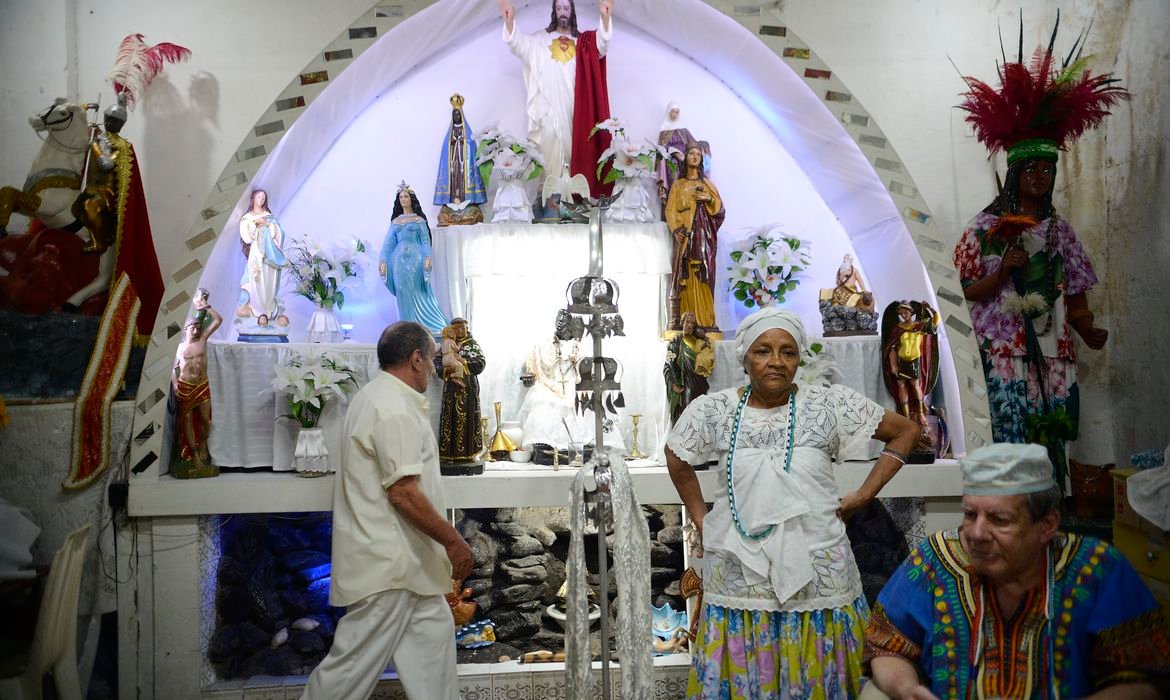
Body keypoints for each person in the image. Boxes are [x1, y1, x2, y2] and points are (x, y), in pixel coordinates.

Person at [665, 307, 920, 698]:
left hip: (820, 573)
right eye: (763, 351)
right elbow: (676, 454)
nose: (776, 362)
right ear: (744, 358)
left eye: (788, 352)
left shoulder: (827, 405)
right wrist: (701, 518)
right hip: (740, 575)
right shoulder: (714, 409)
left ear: (799, 359)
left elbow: (905, 431)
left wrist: (865, 494)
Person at [864, 443, 1170, 699]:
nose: (977, 533)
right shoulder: (936, 560)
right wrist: (907, 690)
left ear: (1047, 525)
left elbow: (1145, 678)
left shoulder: (1096, 568)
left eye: (999, 520)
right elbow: (886, 646)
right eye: (970, 514)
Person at [954, 23, 1124, 482]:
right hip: (1003, 351)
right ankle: (1009, 504)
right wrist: (1001, 273)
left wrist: (1086, 327)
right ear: (1013, 173)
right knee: (1009, 434)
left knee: (1053, 433)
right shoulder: (982, 229)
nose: (1039, 176)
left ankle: (1051, 506)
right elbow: (962, 291)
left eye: (1047, 169)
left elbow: (1078, 292)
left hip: (1053, 349)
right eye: (1030, 168)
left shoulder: (1061, 231)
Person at [300, 321, 474, 700]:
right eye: (432, 360)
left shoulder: (377, 397)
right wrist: (454, 542)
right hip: (390, 569)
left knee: (434, 665)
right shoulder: (392, 408)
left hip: (411, 568)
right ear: (416, 359)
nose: (434, 371)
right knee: (347, 674)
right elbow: (403, 493)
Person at [498, 0, 615, 194]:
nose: (562, 12)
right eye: (559, 8)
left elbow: (601, 46)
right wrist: (510, 22)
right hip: (549, 109)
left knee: (576, 148)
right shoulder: (539, 40)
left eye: (566, 8)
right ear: (554, 11)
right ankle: (551, 196)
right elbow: (518, 44)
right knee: (549, 147)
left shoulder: (583, 42)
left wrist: (605, 17)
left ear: (572, 11)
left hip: (575, 108)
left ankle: (574, 196)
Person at [665, 143, 725, 331]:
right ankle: (686, 321)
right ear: (686, 157)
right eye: (691, 153)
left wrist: (708, 199)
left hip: (703, 238)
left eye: (698, 154)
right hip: (684, 237)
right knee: (685, 275)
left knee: (703, 275)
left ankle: (705, 320)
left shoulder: (707, 184)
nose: (695, 156)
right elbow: (670, 210)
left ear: (701, 159)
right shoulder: (678, 185)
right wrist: (676, 230)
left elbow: (720, 210)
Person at [379, 183, 448, 335]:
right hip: (399, 262)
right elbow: (388, 245)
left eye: (406, 196)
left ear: (411, 199)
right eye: (401, 197)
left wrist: (427, 257)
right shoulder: (395, 222)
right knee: (402, 290)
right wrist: (382, 260)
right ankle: (406, 328)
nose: (403, 199)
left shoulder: (419, 220)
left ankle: (422, 327)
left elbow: (425, 241)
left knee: (417, 290)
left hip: (416, 260)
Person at [172, 288, 222, 479]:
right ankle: (193, 454)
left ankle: (203, 443)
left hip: (202, 385)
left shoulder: (203, 340)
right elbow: (173, 369)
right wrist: (175, 384)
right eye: (192, 327)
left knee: (205, 420)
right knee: (186, 419)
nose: (196, 329)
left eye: (198, 327)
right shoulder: (179, 348)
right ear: (186, 329)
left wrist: (205, 306)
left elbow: (218, 320)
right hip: (185, 386)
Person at [880, 301, 939, 455]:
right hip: (901, 361)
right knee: (901, 385)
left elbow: (935, 322)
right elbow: (892, 347)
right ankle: (905, 416)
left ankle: (920, 412)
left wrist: (929, 309)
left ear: (911, 313)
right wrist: (893, 364)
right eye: (901, 313)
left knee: (915, 385)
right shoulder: (897, 329)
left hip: (914, 361)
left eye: (905, 312)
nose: (903, 315)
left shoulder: (919, 326)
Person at [437, 318, 486, 464]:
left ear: (467, 328)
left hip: (468, 389)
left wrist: (464, 362)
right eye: (456, 328)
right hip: (451, 390)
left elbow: (481, 363)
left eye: (462, 328)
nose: (459, 331)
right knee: (450, 419)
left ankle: (469, 453)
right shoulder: (447, 343)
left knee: (468, 419)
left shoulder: (472, 345)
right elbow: (437, 363)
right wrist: (446, 370)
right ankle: (449, 455)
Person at [434, 93, 487, 227]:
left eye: (458, 114)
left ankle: (467, 202)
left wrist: (462, 142)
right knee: (454, 182)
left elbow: (470, 148)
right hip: (453, 164)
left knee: (462, 181)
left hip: (464, 165)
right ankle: (454, 202)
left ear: (461, 116)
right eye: (455, 115)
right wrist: (454, 142)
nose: (457, 117)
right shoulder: (449, 134)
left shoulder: (468, 134)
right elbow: (446, 151)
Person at [237, 189, 287, 321]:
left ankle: (268, 308)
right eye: (258, 197)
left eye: (263, 198)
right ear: (253, 198)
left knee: (269, 279)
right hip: (257, 253)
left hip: (271, 254)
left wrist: (268, 224)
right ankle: (257, 309)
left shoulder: (269, 216)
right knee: (257, 278)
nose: (261, 199)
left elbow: (280, 233)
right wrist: (255, 223)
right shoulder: (247, 218)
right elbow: (247, 237)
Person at [663, 311, 714, 426]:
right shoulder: (676, 342)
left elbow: (706, 359)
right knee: (686, 413)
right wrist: (673, 383)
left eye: (692, 323)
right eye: (687, 322)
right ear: (682, 323)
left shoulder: (698, 342)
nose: (690, 325)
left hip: (698, 383)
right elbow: (668, 366)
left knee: (698, 414)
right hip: (685, 384)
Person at [654, 102, 703, 210]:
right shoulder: (663, 131)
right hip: (671, 161)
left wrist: (702, 147)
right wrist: (674, 153)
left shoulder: (683, 130)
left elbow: (694, 144)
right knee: (674, 172)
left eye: (677, 112)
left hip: (685, 159)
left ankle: (687, 205)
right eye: (673, 112)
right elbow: (660, 150)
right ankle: (673, 203)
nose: (674, 114)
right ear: (668, 112)